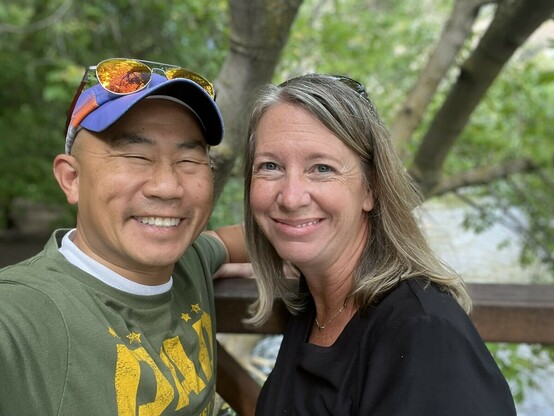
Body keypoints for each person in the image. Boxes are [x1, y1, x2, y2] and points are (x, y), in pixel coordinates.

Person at [243, 73, 517, 415]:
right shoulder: (317, 300)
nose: (291, 197)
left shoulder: (425, 337)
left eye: (322, 168)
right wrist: (209, 252)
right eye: (270, 166)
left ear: (371, 188)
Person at [0, 58, 247, 415]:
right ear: (72, 179)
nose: (168, 187)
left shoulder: (189, 261)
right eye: (136, 155)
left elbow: (239, 240)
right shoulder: (25, 315)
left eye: (189, 161)